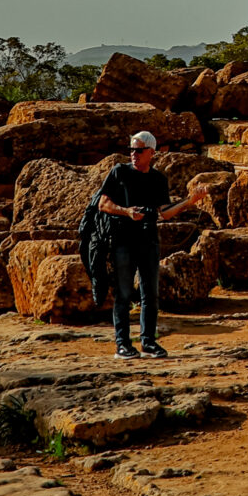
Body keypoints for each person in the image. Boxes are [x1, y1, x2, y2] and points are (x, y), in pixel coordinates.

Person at [95, 131, 195, 359]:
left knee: (150, 294)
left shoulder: (158, 179)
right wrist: (126, 211)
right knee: (123, 292)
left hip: (149, 241)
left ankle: (148, 342)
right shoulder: (119, 172)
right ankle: (122, 344)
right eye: (131, 150)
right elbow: (103, 203)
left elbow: (164, 213)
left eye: (139, 150)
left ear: (151, 152)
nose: (133, 154)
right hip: (122, 240)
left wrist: (189, 202)